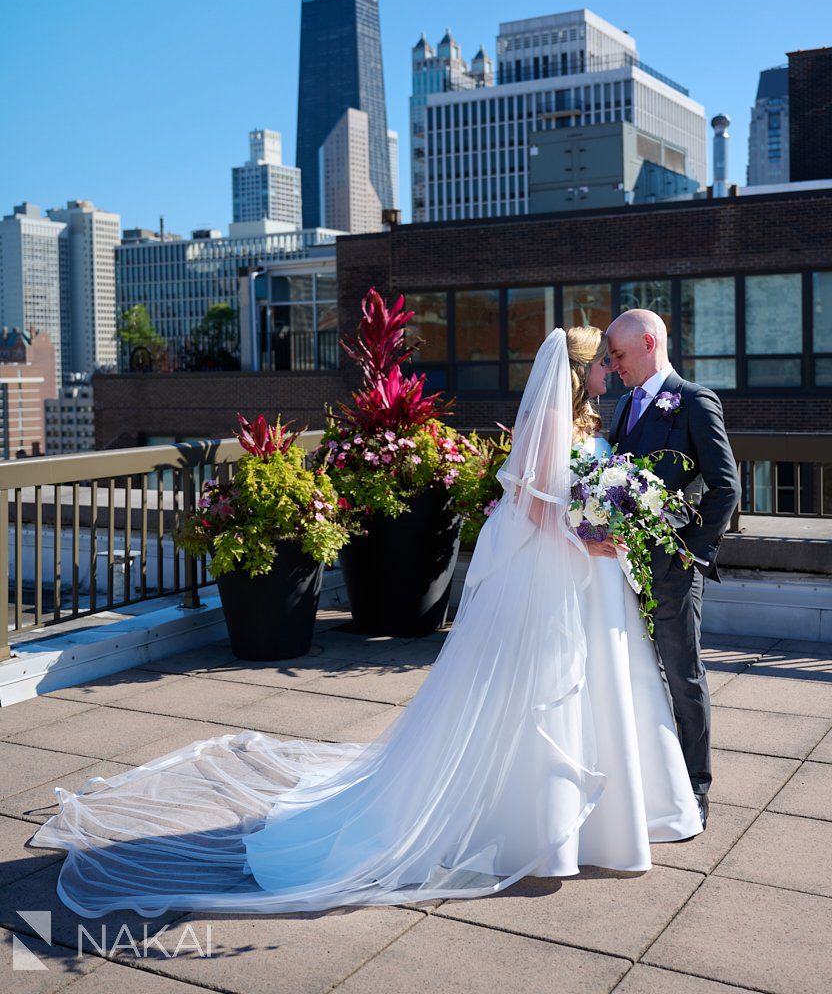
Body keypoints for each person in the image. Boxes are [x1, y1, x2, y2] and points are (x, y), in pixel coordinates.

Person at [27, 326, 702, 919]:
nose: (609, 371)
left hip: (578, 581)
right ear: (580, 369)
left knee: (582, 692)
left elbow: (573, 496)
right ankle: (535, 822)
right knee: (537, 694)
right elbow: (532, 504)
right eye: (602, 363)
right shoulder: (553, 418)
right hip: (555, 573)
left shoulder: (589, 422)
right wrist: (592, 538)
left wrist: (609, 523)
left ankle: (589, 822)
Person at [606, 308, 742, 830]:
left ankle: (694, 787)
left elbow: (725, 487)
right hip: (623, 567)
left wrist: (691, 551)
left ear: (647, 342)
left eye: (618, 355)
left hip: (674, 569)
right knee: (638, 677)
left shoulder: (694, 401)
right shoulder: (622, 407)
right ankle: (651, 778)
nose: (614, 365)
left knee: (683, 678)